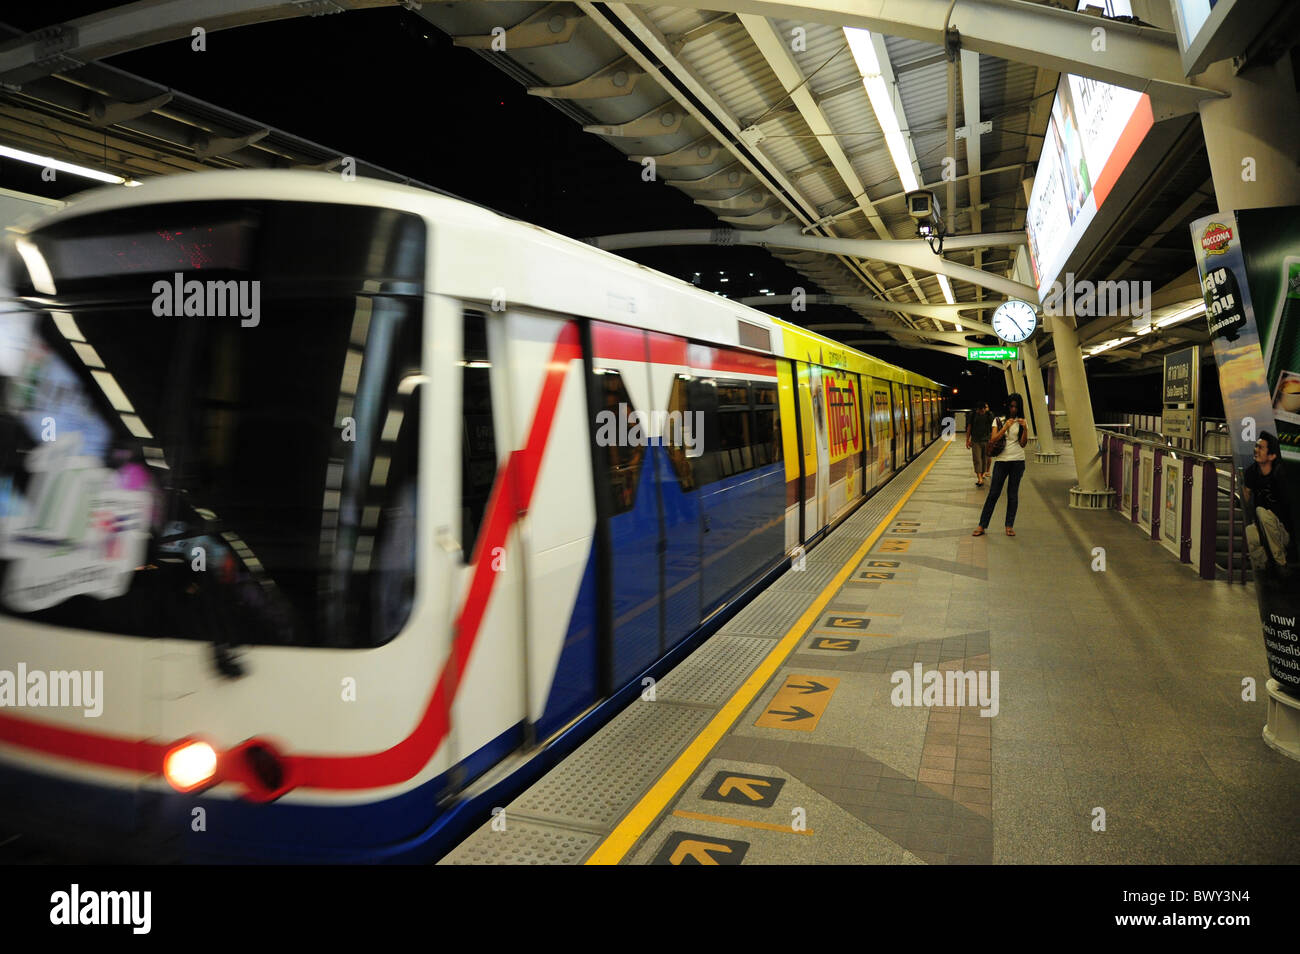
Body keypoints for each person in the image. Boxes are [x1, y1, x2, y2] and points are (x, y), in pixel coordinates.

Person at [973, 393, 1030, 537]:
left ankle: (1009, 526)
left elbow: (1023, 444)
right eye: (1011, 406)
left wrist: (1026, 429)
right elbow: (993, 440)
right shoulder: (998, 420)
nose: (1013, 409)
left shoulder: (1022, 421)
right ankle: (982, 525)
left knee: (1012, 495)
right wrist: (1005, 428)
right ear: (1007, 405)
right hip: (1001, 461)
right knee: (993, 494)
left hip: (1018, 461)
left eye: (1016, 407)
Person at [1243, 431, 1296, 567]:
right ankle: (1266, 565)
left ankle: (1280, 562)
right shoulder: (1251, 472)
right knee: (1250, 532)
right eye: (1256, 446)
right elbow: (1246, 495)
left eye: (1261, 448)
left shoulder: (1281, 474)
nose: (1256, 450)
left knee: (1262, 512)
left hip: (1283, 531)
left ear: (1272, 455)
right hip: (1263, 527)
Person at [965, 401, 993, 486]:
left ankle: (982, 474)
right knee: (977, 459)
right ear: (977, 410)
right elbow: (969, 427)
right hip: (975, 440)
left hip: (986, 440)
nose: (982, 412)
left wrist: (992, 440)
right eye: (981, 410)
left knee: (984, 459)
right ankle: (979, 478)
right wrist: (967, 440)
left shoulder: (989, 415)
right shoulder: (973, 415)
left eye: (984, 410)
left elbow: (993, 428)